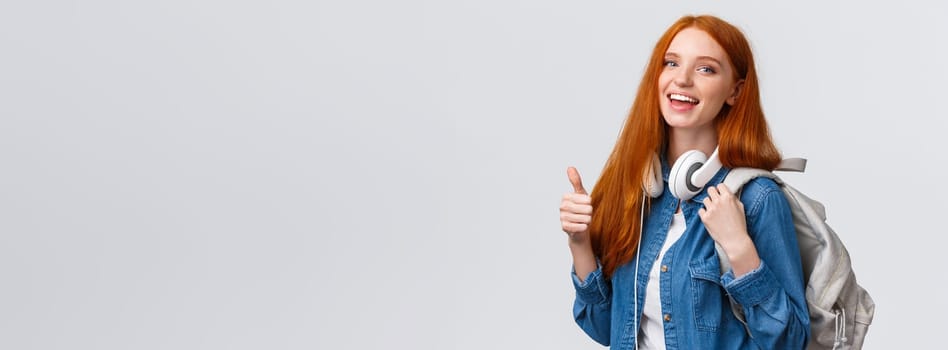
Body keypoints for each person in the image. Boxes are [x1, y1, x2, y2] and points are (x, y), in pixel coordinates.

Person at [559, 15, 810, 349]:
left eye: (705, 69)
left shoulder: (756, 199)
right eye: (671, 63)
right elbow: (605, 328)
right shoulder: (640, 190)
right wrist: (580, 243)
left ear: (734, 91)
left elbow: (790, 342)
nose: (682, 79)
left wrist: (739, 248)